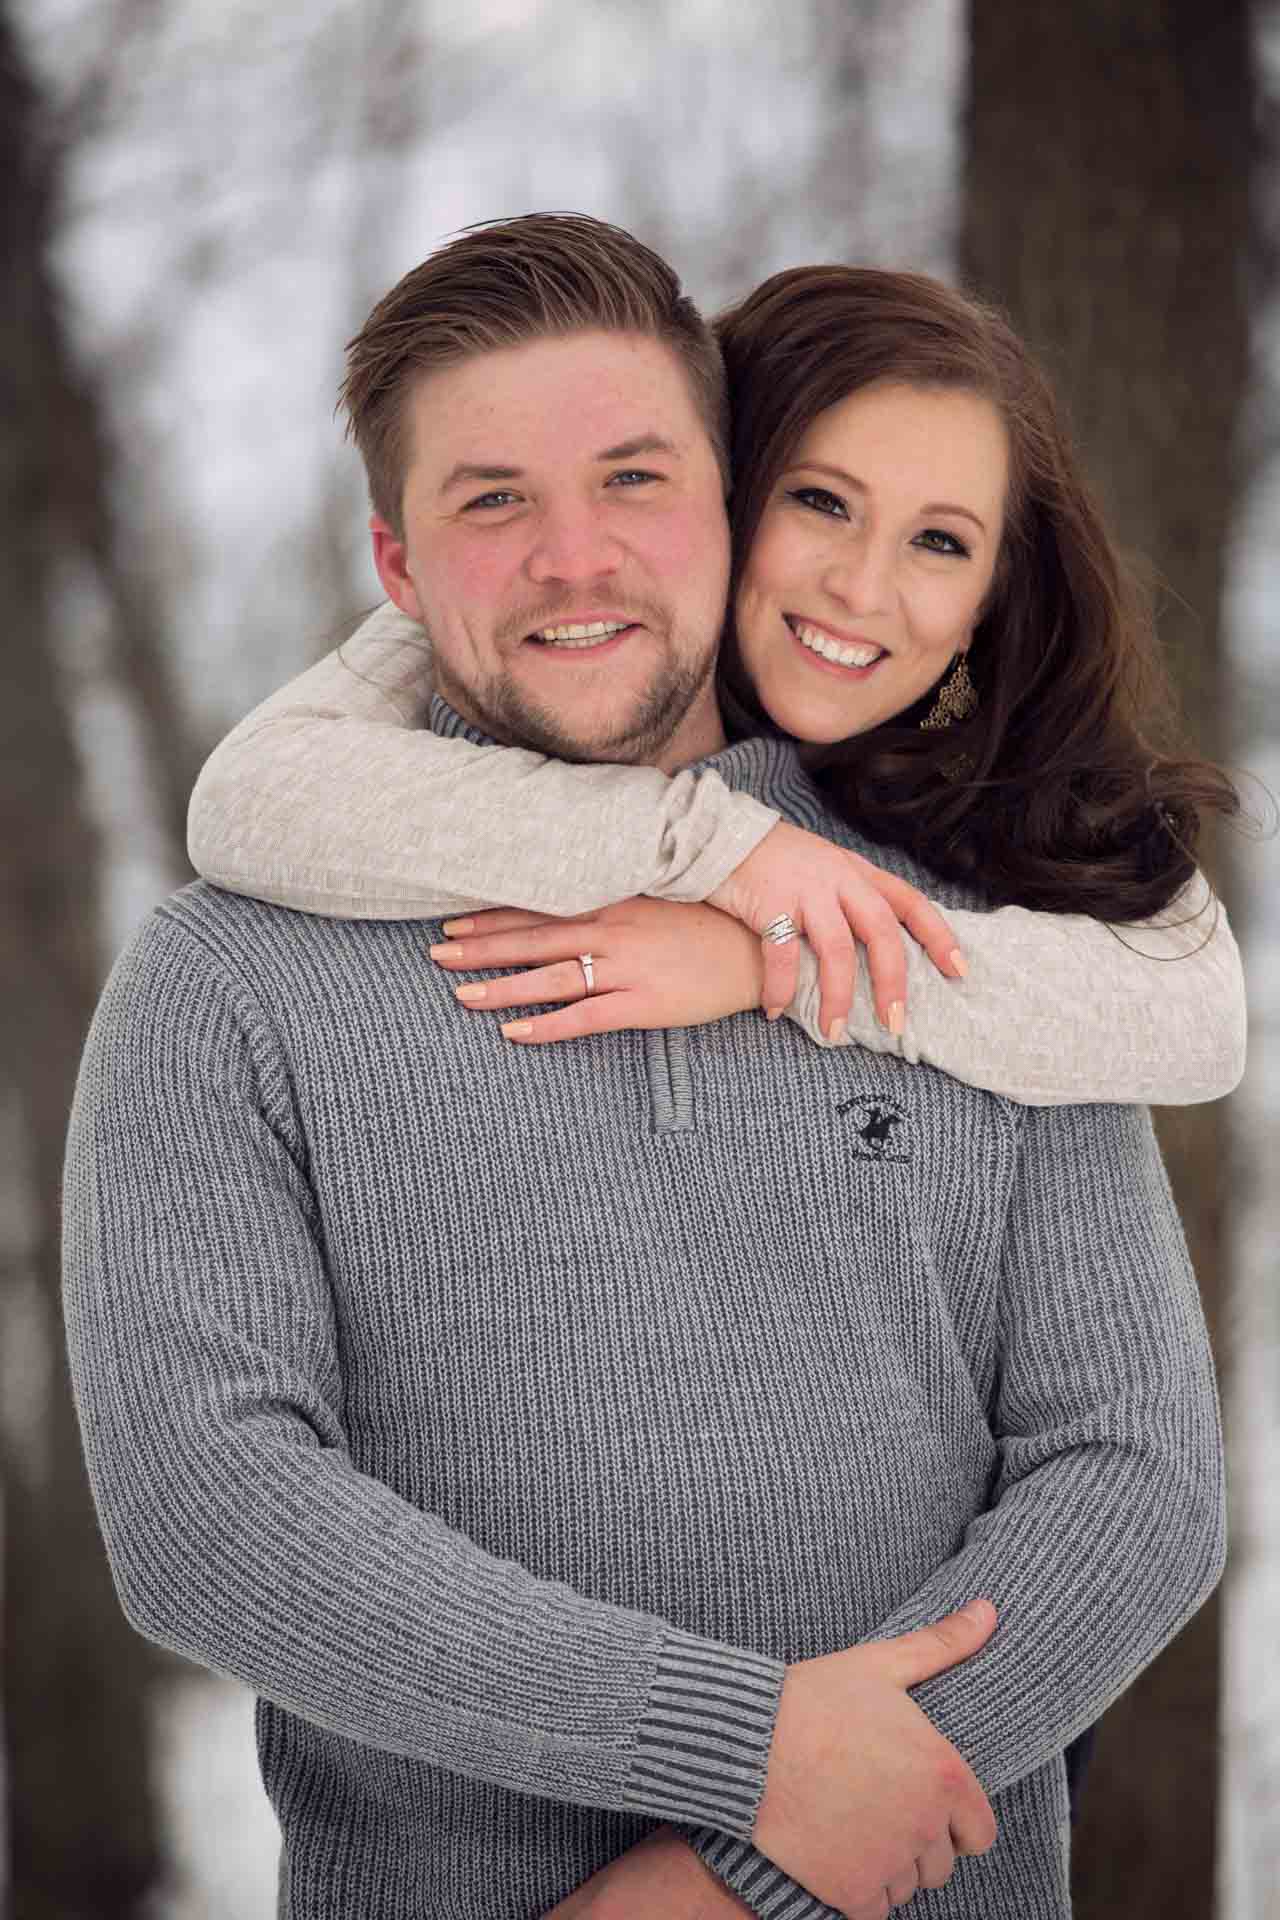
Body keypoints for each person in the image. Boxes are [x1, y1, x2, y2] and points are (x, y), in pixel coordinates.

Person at [63, 215, 1231, 1920]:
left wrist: (733, 1880)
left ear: (725, 494)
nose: (576, 557)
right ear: (395, 567)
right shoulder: (227, 980)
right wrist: (743, 1746)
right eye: (492, 502)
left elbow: (1132, 1482)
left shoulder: (980, 939)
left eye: (632, 479)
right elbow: (208, 1514)